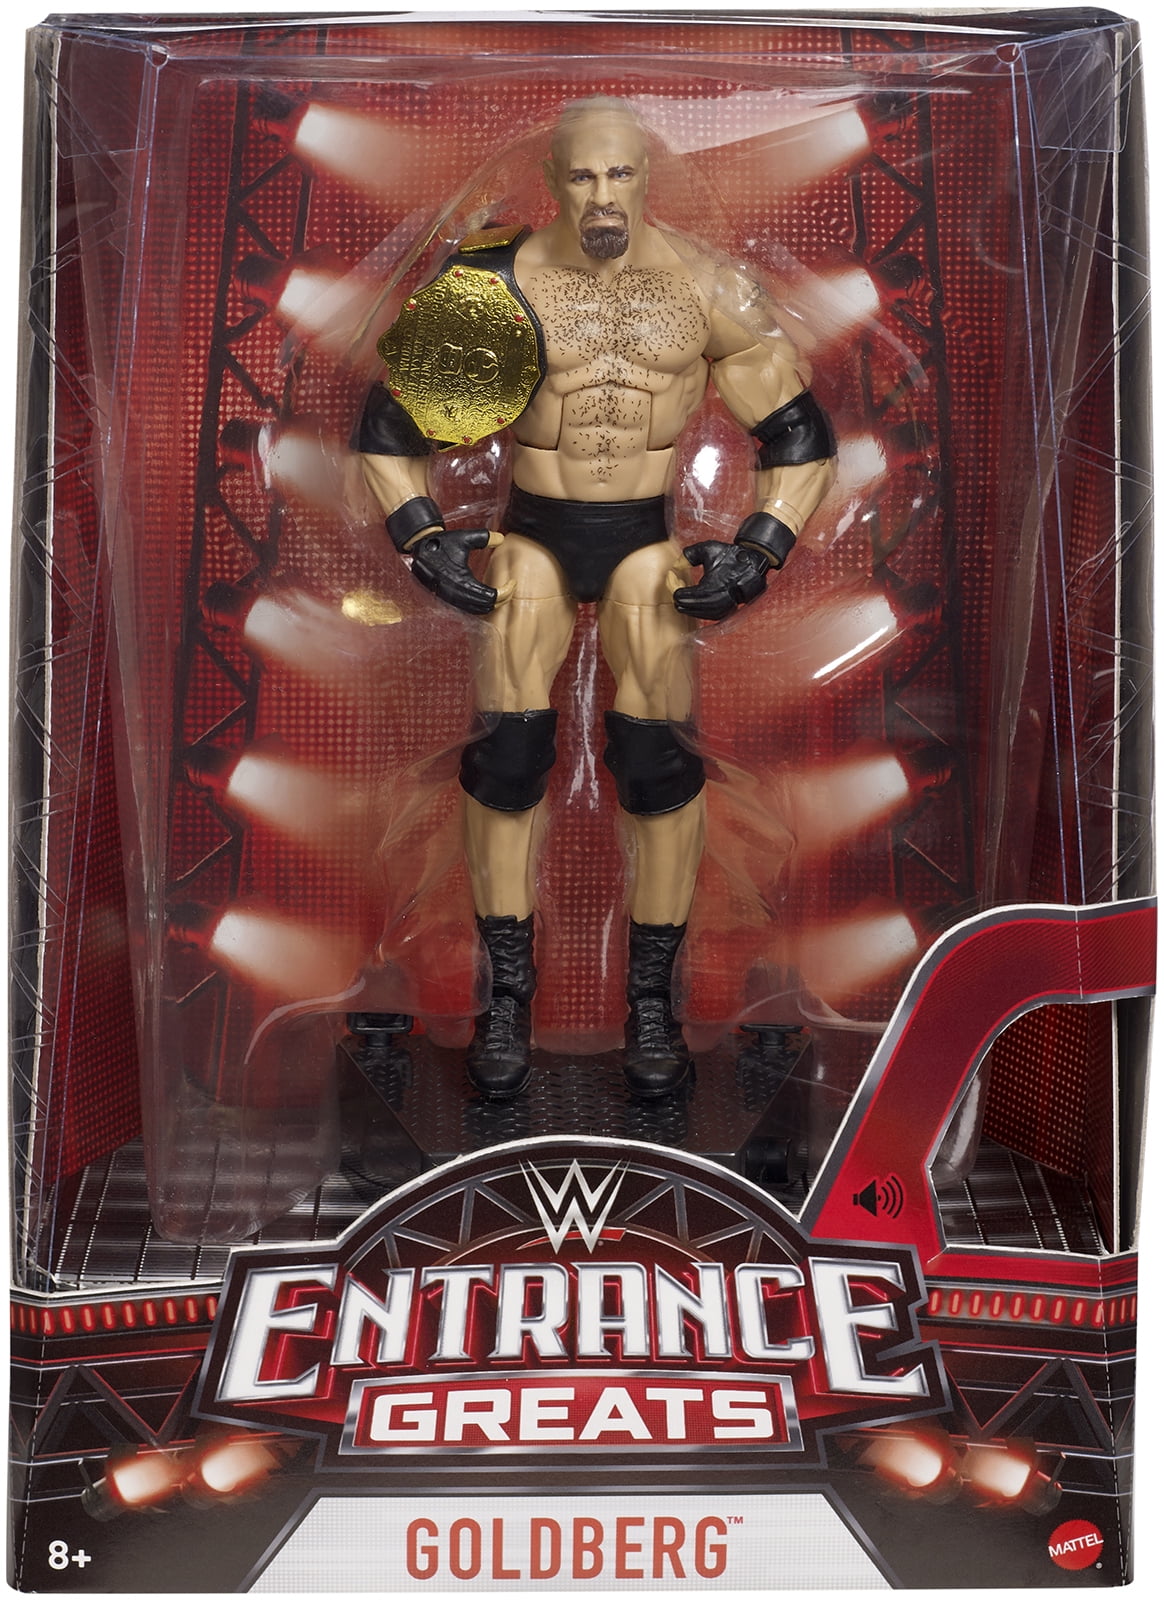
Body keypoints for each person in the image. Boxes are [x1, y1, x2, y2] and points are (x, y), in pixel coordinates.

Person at [358, 97, 835, 1101]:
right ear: (553, 180)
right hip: (530, 537)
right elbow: (391, 433)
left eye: (620, 174)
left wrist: (761, 547)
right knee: (508, 756)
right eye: (582, 175)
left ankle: (652, 1006)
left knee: (659, 765)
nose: (602, 194)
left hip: (645, 548)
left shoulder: (705, 286)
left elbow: (797, 435)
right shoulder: (499, 282)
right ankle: (505, 1004)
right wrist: (423, 539)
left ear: (647, 177)